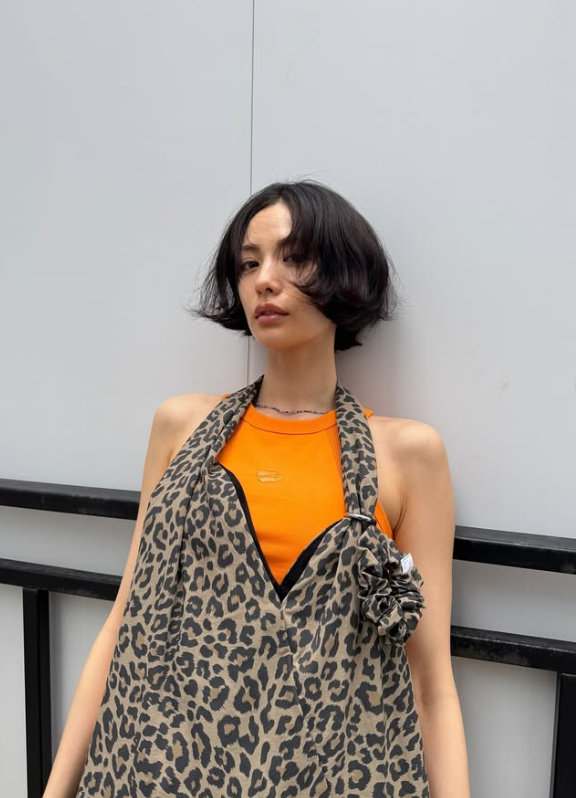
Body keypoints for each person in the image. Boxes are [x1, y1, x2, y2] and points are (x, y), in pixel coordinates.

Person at [43, 180, 470, 797]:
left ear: (346, 275)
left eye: (294, 259)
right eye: (249, 263)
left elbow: (430, 683)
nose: (264, 280)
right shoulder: (181, 428)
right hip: (160, 771)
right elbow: (125, 627)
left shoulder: (406, 455)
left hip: (328, 778)